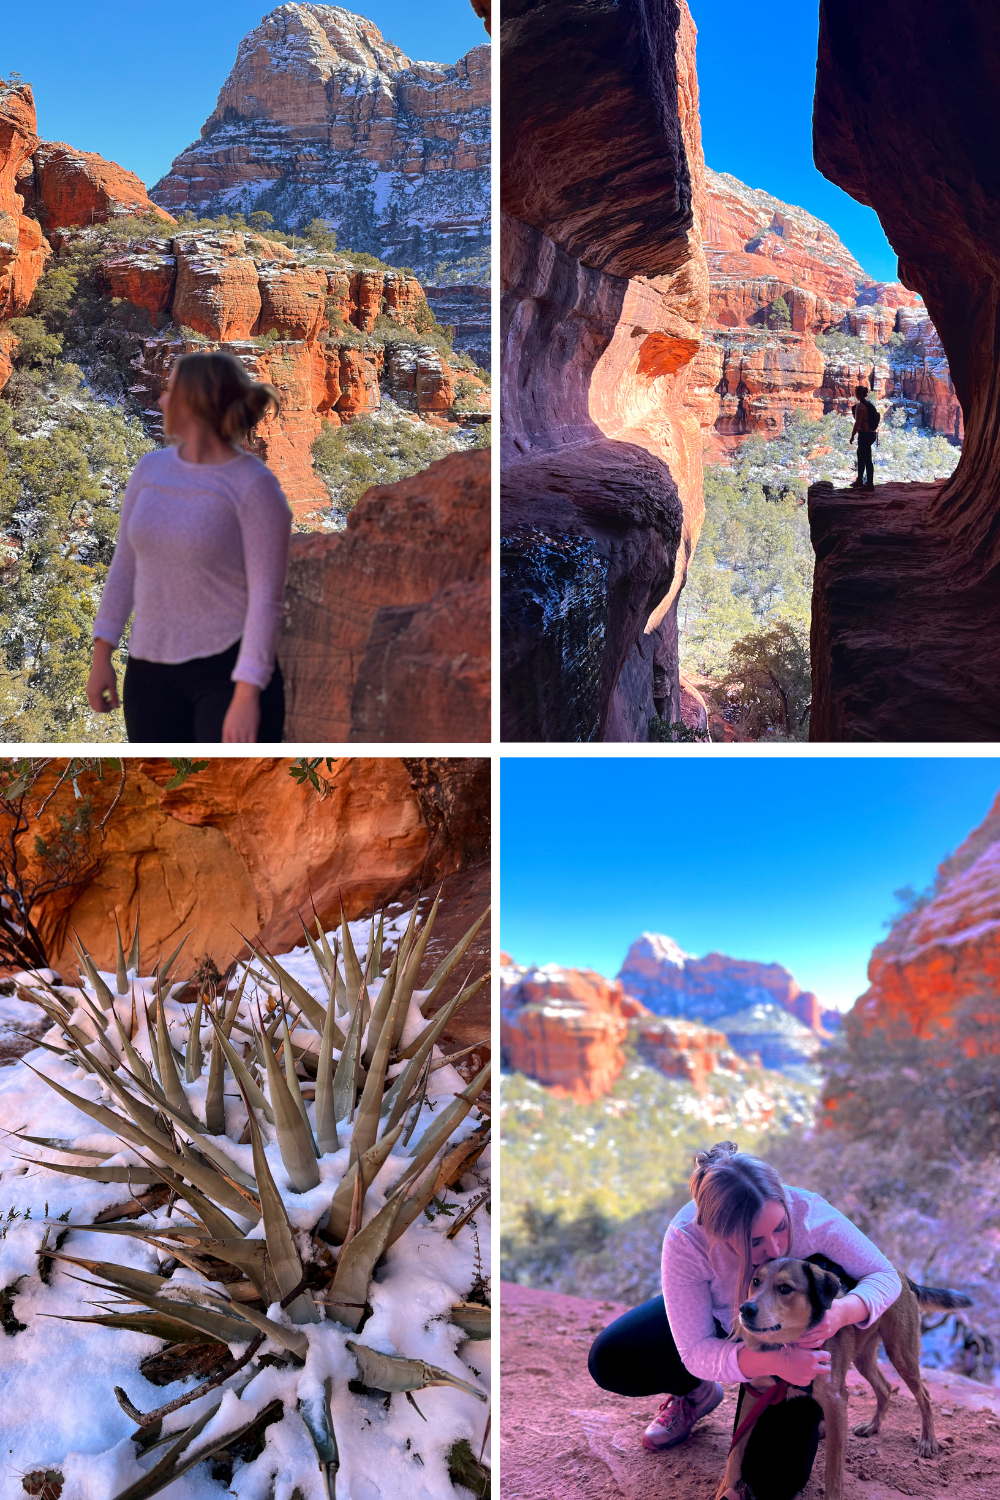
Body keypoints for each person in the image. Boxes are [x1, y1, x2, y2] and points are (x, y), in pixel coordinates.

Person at [588, 1141, 901, 1500]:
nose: (775, 1249)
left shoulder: (809, 1212)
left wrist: (840, 1314)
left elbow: (884, 1275)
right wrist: (771, 1363)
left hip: (792, 1335)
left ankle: (807, 1410)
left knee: (772, 1482)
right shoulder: (687, 1239)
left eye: (780, 1228)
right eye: (755, 1240)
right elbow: (693, 1350)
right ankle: (696, 1394)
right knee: (613, 1359)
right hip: (726, 1322)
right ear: (717, 1234)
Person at [87, 351, 292, 743]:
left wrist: (248, 695)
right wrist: (102, 655)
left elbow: (267, 599)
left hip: (227, 674)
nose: (162, 400)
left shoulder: (254, 486)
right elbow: (125, 567)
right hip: (149, 673)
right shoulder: (150, 469)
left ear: (195, 403)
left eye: (169, 391)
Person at [849, 383, 878, 491]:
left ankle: (869, 483)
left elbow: (857, 422)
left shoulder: (860, 406)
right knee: (861, 455)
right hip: (871, 434)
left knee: (866, 458)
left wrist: (852, 435)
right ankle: (860, 480)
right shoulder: (869, 404)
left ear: (858, 395)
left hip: (864, 435)